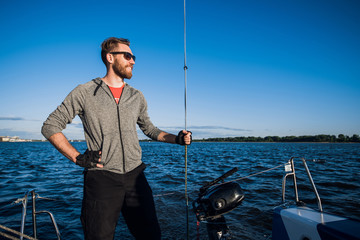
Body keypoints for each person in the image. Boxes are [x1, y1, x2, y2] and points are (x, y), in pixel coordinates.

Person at [41, 37, 192, 240]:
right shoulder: (84, 92)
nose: (133, 61)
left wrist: (178, 139)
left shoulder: (136, 96)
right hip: (101, 179)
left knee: (151, 236)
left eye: (134, 56)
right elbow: (50, 126)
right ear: (110, 57)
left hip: (135, 177)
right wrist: (77, 158)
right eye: (128, 56)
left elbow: (149, 129)